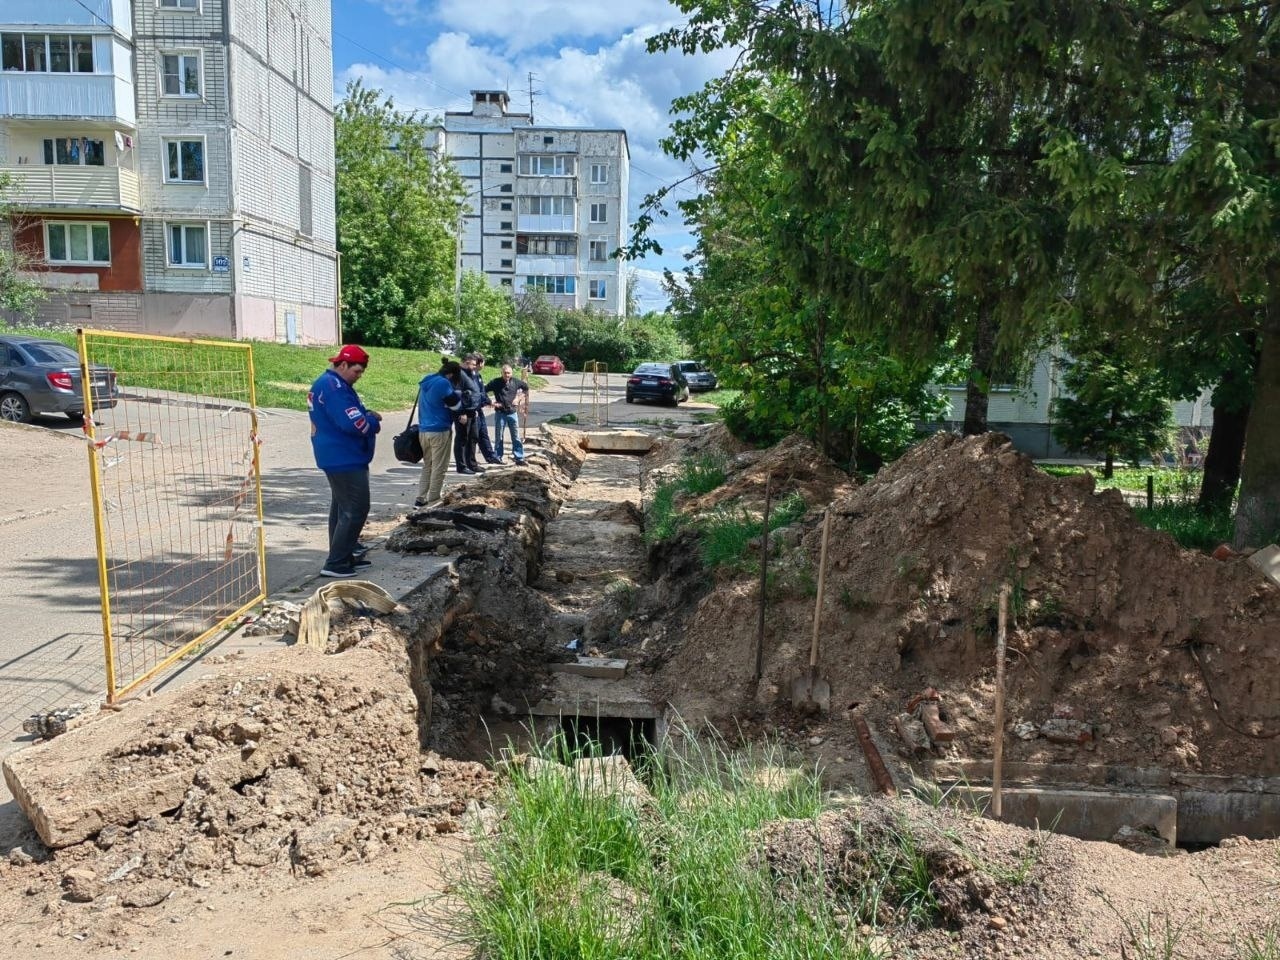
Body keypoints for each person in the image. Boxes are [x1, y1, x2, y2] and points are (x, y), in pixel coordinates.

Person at [308, 345, 381, 578]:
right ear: (343, 365)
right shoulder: (334, 388)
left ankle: (344, 555)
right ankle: (336, 563)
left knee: (341, 508)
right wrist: (372, 420)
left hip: (339, 455)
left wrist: (365, 414)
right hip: (343, 456)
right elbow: (354, 424)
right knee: (356, 509)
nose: (359, 377)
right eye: (356, 371)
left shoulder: (331, 384)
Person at [415, 360, 463, 507]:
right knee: (439, 467)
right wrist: (458, 394)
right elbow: (456, 406)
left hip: (424, 430)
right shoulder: (443, 383)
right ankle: (434, 499)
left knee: (427, 465)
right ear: (451, 374)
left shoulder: (427, 380)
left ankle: (420, 498)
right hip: (439, 430)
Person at [486, 363, 530, 465]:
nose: (507, 375)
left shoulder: (515, 382)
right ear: (501, 373)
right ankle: (498, 457)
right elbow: (483, 391)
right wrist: (491, 402)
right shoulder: (495, 382)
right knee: (499, 437)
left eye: (509, 373)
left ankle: (519, 457)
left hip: (512, 413)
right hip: (500, 413)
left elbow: (526, 388)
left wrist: (518, 398)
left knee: (515, 436)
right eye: (505, 373)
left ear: (512, 373)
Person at [453, 354, 486, 475]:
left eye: (474, 364)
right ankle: (461, 466)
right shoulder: (459, 374)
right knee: (462, 438)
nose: (474, 367)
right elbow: (457, 394)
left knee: (474, 437)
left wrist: (477, 407)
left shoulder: (471, 373)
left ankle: (472, 464)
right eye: (472, 364)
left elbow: (475, 391)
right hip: (463, 412)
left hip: (473, 411)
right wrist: (461, 412)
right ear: (465, 362)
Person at [472, 353, 503, 465]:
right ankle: (469, 461)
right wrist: (489, 402)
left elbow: (482, 393)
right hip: (471, 411)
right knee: (473, 437)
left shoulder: (478, 376)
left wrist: (489, 402)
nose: (484, 365)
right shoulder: (470, 377)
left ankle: (491, 457)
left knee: (483, 434)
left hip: (478, 410)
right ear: (480, 363)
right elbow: (475, 394)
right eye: (483, 362)